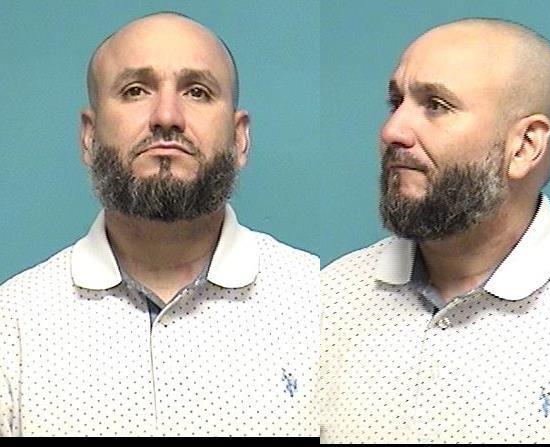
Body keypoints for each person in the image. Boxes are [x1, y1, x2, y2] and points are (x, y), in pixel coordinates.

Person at [320, 18, 550, 443]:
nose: (392, 131)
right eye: (396, 102)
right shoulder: (327, 302)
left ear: (524, 147)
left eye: (436, 105)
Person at [0, 12, 318, 437]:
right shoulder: (12, 325)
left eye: (197, 92)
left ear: (240, 138)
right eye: (135, 90)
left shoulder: (319, 304)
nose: (167, 116)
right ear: (89, 137)